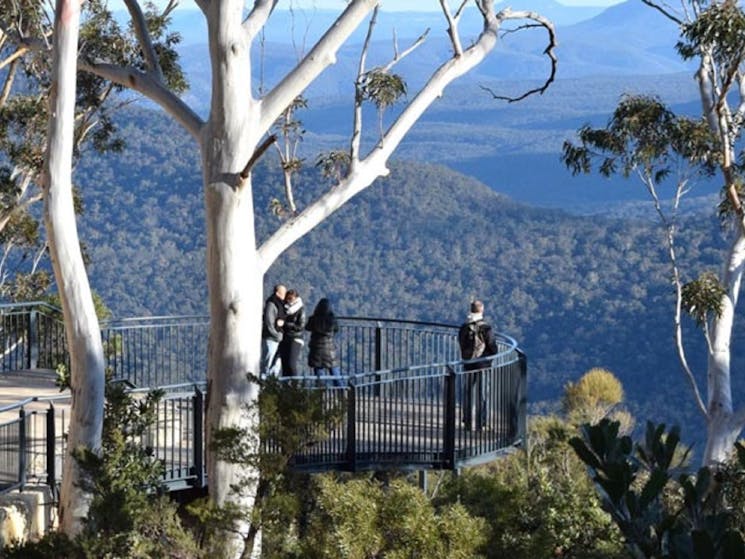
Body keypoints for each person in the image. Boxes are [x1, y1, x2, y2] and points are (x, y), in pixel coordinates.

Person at [458, 299, 498, 431]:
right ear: (482, 310)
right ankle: (482, 423)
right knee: (482, 394)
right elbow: (492, 346)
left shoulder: (464, 327)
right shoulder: (486, 328)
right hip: (483, 365)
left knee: (467, 392)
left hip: (468, 364)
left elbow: (461, 344)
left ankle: (467, 422)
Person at [305, 298, 343, 386]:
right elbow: (336, 329)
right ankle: (342, 391)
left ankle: (320, 394)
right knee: (335, 373)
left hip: (316, 349)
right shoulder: (332, 320)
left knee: (319, 374)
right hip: (329, 350)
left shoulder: (313, 319)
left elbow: (307, 327)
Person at [279, 289, 306, 376]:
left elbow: (300, 326)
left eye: (291, 298)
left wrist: (286, 324)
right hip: (285, 338)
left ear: (296, 299)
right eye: (287, 298)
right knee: (285, 364)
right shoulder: (285, 309)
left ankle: (294, 385)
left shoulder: (300, 310)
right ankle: (285, 386)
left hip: (295, 338)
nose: (289, 300)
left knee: (291, 363)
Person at [262, 284, 286, 377]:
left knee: (276, 363)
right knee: (267, 362)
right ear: (277, 292)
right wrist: (276, 334)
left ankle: (271, 381)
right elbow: (269, 321)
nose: (284, 294)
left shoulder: (281, 304)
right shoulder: (272, 304)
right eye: (282, 292)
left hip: (278, 338)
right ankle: (263, 382)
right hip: (271, 338)